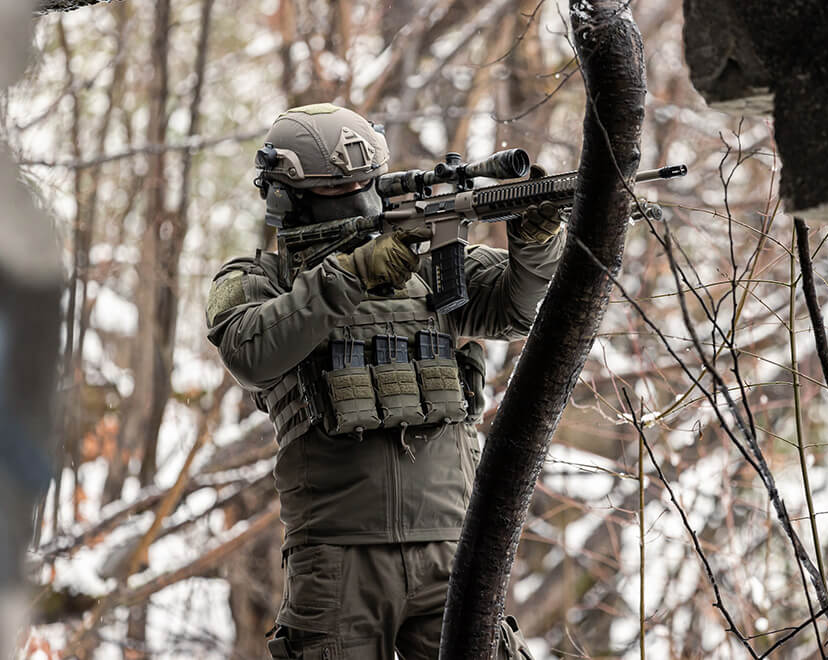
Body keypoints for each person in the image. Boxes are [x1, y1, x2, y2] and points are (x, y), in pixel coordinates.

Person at [205, 103, 562, 660]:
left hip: (454, 549)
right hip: (337, 557)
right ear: (286, 196)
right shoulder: (260, 282)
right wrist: (353, 274)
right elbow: (250, 352)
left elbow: (519, 309)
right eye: (339, 189)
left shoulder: (430, 265)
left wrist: (537, 241)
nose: (361, 198)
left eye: (366, 184)